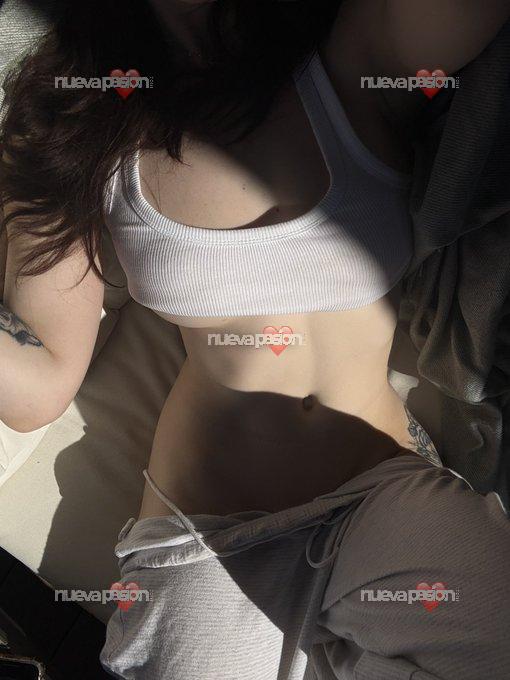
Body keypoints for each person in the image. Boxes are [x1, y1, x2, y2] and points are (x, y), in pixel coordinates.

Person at [1, 1, 510, 678]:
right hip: (214, 536)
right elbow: (41, 384)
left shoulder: (350, 54)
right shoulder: (71, 124)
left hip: (386, 494)